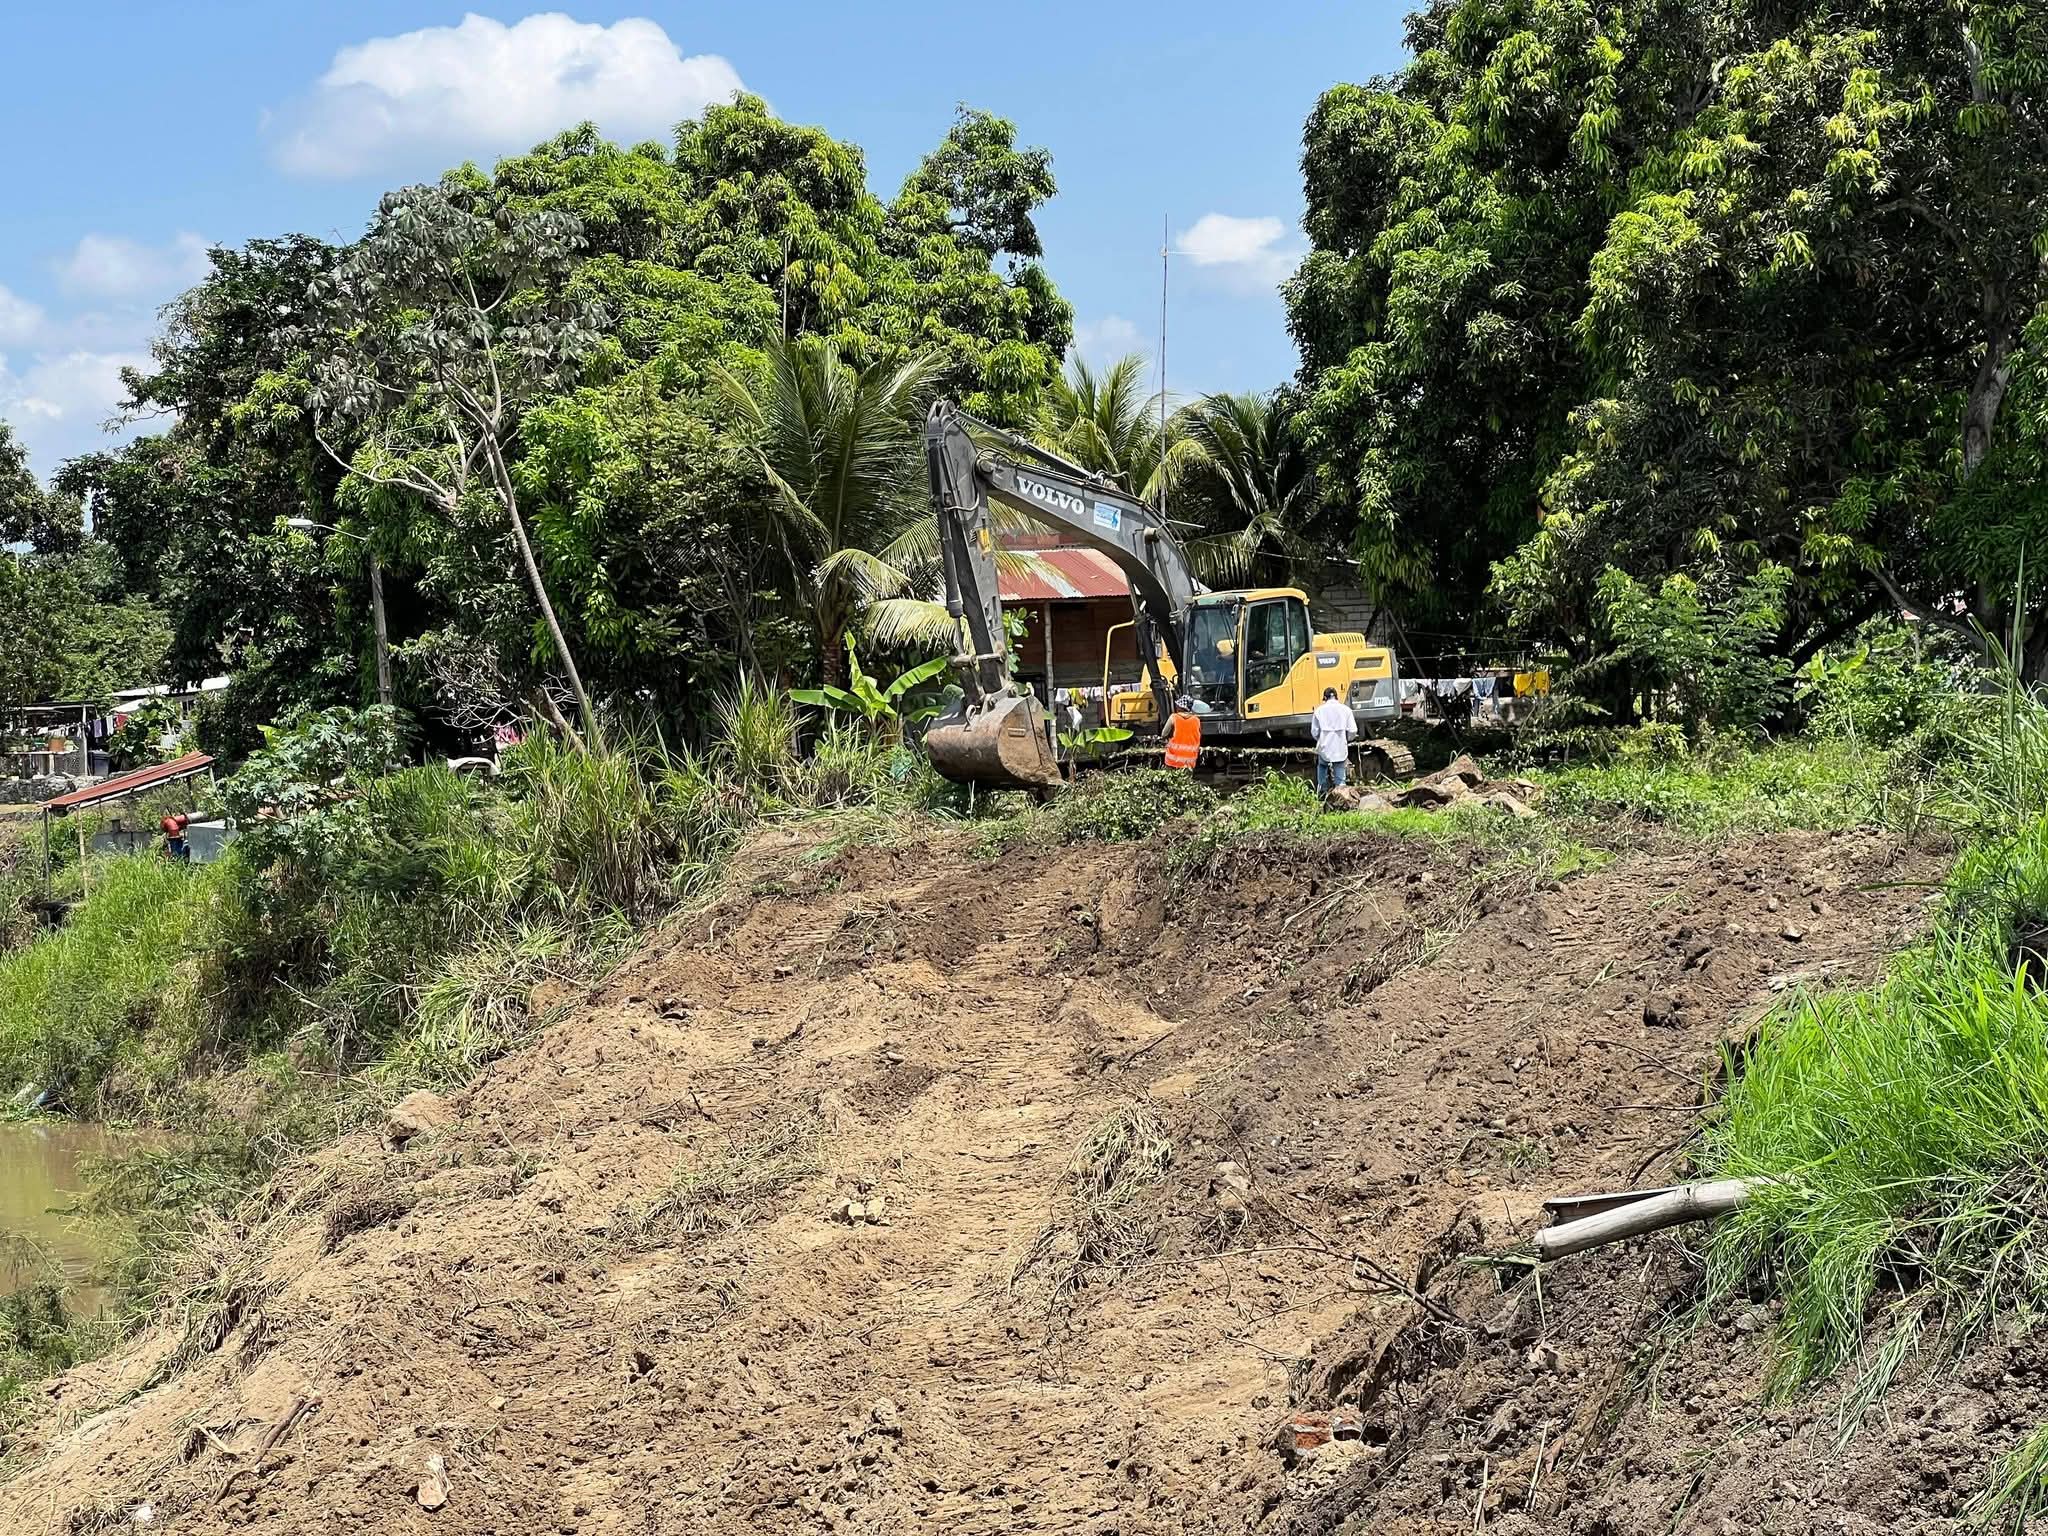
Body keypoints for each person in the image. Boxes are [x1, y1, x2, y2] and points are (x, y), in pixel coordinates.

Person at [1311, 686, 1358, 796]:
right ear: (1337, 697)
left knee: (1322, 766)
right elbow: (1353, 730)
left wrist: (1320, 739)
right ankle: (1341, 795)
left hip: (1324, 747)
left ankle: (1322, 792)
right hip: (1340, 747)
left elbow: (1314, 732)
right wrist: (1346, 739)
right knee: (1340, 775)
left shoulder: (1319, 711)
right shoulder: (1346, 710)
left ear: (1325, 698)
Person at [1163, 694, 1202, 770]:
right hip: (1189, 761)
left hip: (1173, 760)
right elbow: (1199, 735)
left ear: (1180, 707)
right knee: (1186, 777)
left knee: (1171, 776)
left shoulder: (1174, 717)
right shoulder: (1196, 720)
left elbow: (1164, 734)